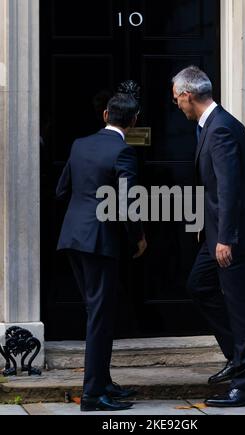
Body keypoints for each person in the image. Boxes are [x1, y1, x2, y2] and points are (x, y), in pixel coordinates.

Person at [172, 66, 245, 408]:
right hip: (219, 230)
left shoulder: (221, 130)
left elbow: (230, 188)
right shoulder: (212, 126)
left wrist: (225, 238)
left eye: (177, 99)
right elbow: (217, 186)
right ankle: (239, 357)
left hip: (237, 236)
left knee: (240, 307)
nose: (177, 106)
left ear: (188, 95)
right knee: (198, 284)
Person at [56, 93, 147, 412]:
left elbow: (61, 189)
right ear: (133, 121)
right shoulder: (123, 151)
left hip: (73, 237)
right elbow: (126, 201)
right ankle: (93, 394)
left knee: (98, 312)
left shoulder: (79, 144)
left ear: (106, 114)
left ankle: (104, 381)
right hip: (99, 242)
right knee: (99, 315)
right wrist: (138, 238)